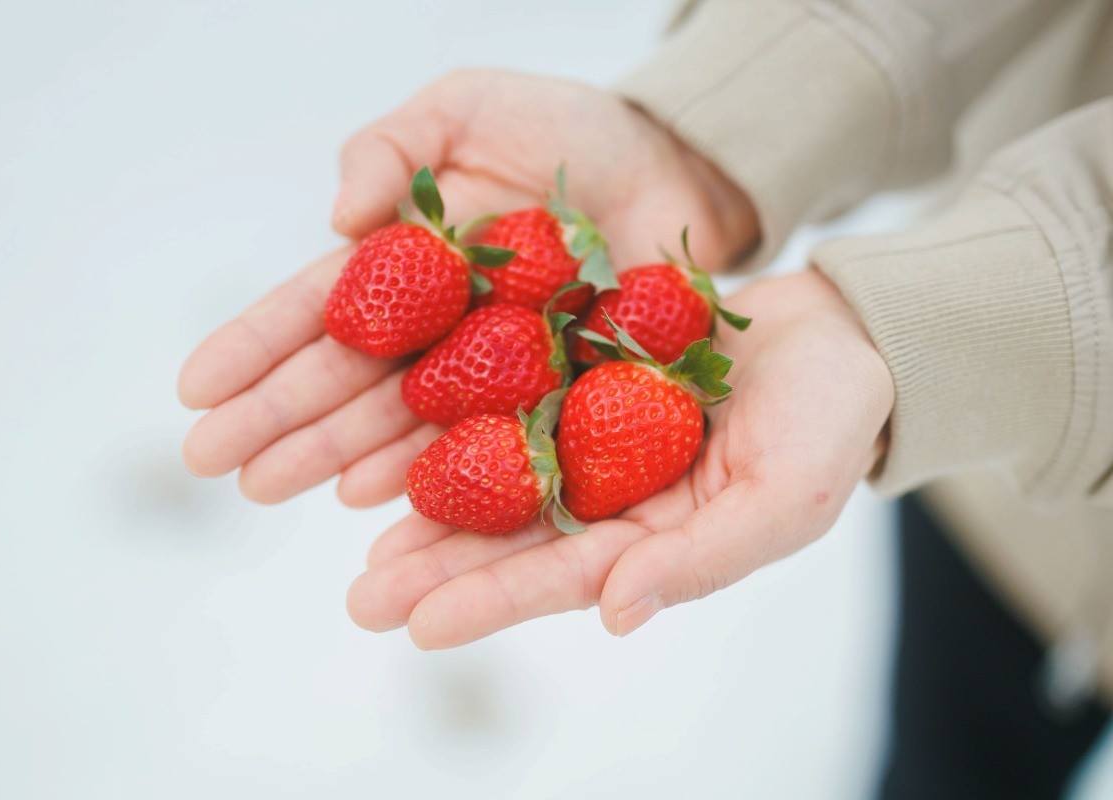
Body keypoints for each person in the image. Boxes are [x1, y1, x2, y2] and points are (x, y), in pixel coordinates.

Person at [177, 1, 1113, 796]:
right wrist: (709, 134)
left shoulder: (608, 382)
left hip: (985, 410)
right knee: (943, 763)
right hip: (993, 480)